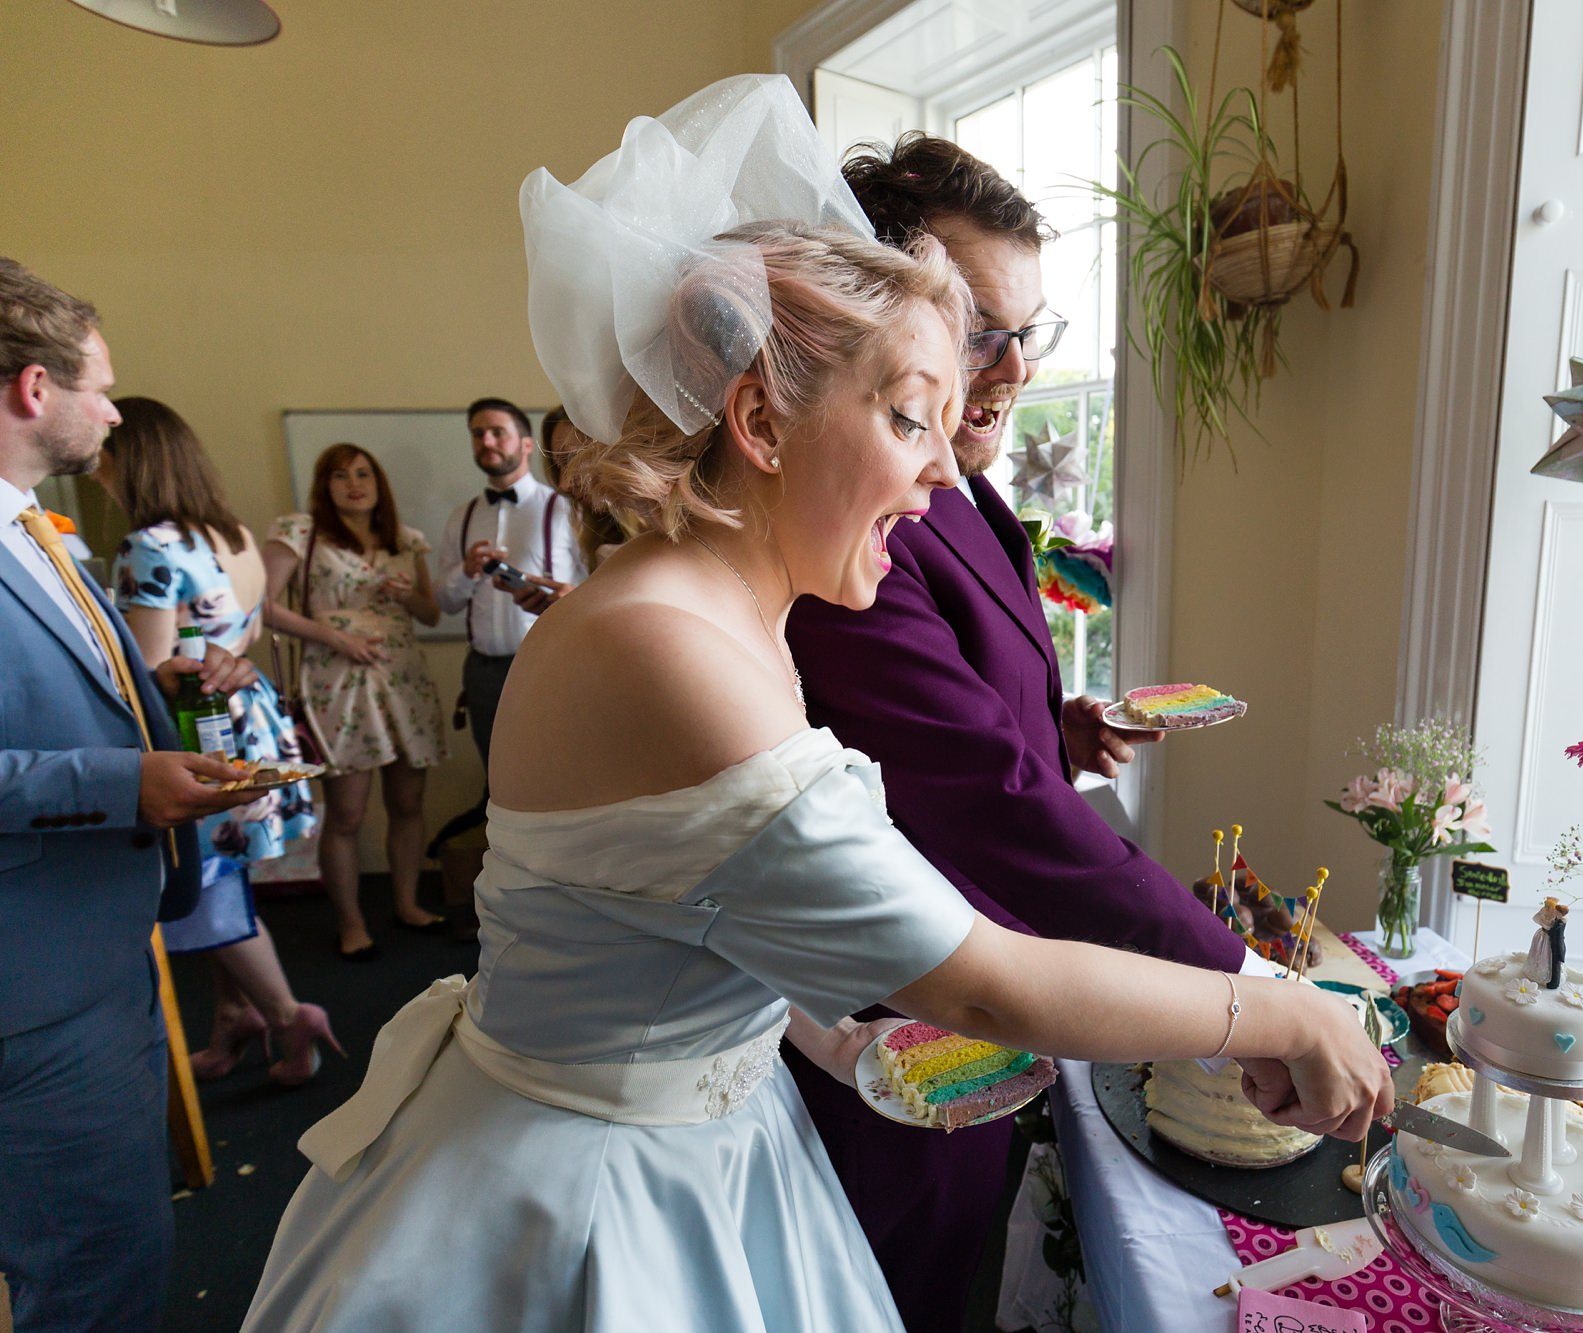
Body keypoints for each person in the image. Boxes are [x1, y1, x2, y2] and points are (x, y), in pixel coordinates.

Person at [241, 78, 1392, 1333]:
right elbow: (986, 983)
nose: (939, 475)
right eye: (909, 421)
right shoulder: (669, 650)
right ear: (757, 417)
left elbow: (676, 901)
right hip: (587, 1202)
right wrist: (1271, 1006)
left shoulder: (726, 615)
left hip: (700, 1122)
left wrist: (827, 1037)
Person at [782, 133, 1260, 1323]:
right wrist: (1244, 984)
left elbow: (932, 720)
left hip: (994, 1006)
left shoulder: (963, 483)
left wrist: (1054, 719)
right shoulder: (861, 519)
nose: (1010, 368)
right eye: (978, 325)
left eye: (1027, 331)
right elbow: (980, 795)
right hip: (899, 1020)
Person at [0, 257, 262, 1331]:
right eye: (100, 386)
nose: (112, 409)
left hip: (89, 948)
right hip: (33, 982)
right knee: (95, 1267)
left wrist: (151, 690)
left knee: (116, 1245)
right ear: (32, 390)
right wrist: (122, 785)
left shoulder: (31, 525)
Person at [99, 396, 339, 1084]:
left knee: (205, 887)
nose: (94, 471)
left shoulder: (149, 546)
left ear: (131, 460)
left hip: (196, 728)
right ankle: (235, 1017)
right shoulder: (230, 533)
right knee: (224, 876)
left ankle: (290, 1014)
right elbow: (250, 634)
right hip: (247, 716)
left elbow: (150, 675)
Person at [262, 444, 448, 958]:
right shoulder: (300, 532)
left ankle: (407, 903)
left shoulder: (405, 540)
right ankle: (351, 923)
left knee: (407, 803)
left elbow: (430, 615)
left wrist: (407, 593)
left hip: (403, 678)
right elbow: (260, 606)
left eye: (364, 473)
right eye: (339, 475)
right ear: (324, 485)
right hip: (337, 679)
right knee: (346, 813)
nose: (354, 483)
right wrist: (333, 637)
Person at [434, 396, 586, 767]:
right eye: (478, 434)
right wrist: (467, 571)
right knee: (495, 776)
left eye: (498, 433)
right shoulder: (462, 516)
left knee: (556, 770)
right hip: (483, 672)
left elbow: (598, 586)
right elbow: (445, 602)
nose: (486, 442)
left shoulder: (567, 508)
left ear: (527, 444)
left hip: (552, 667)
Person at [540, 403, 628, 572]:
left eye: (572, 459)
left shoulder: (679, 540)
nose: (563, 485)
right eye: (559, 468)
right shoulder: (600, 545)